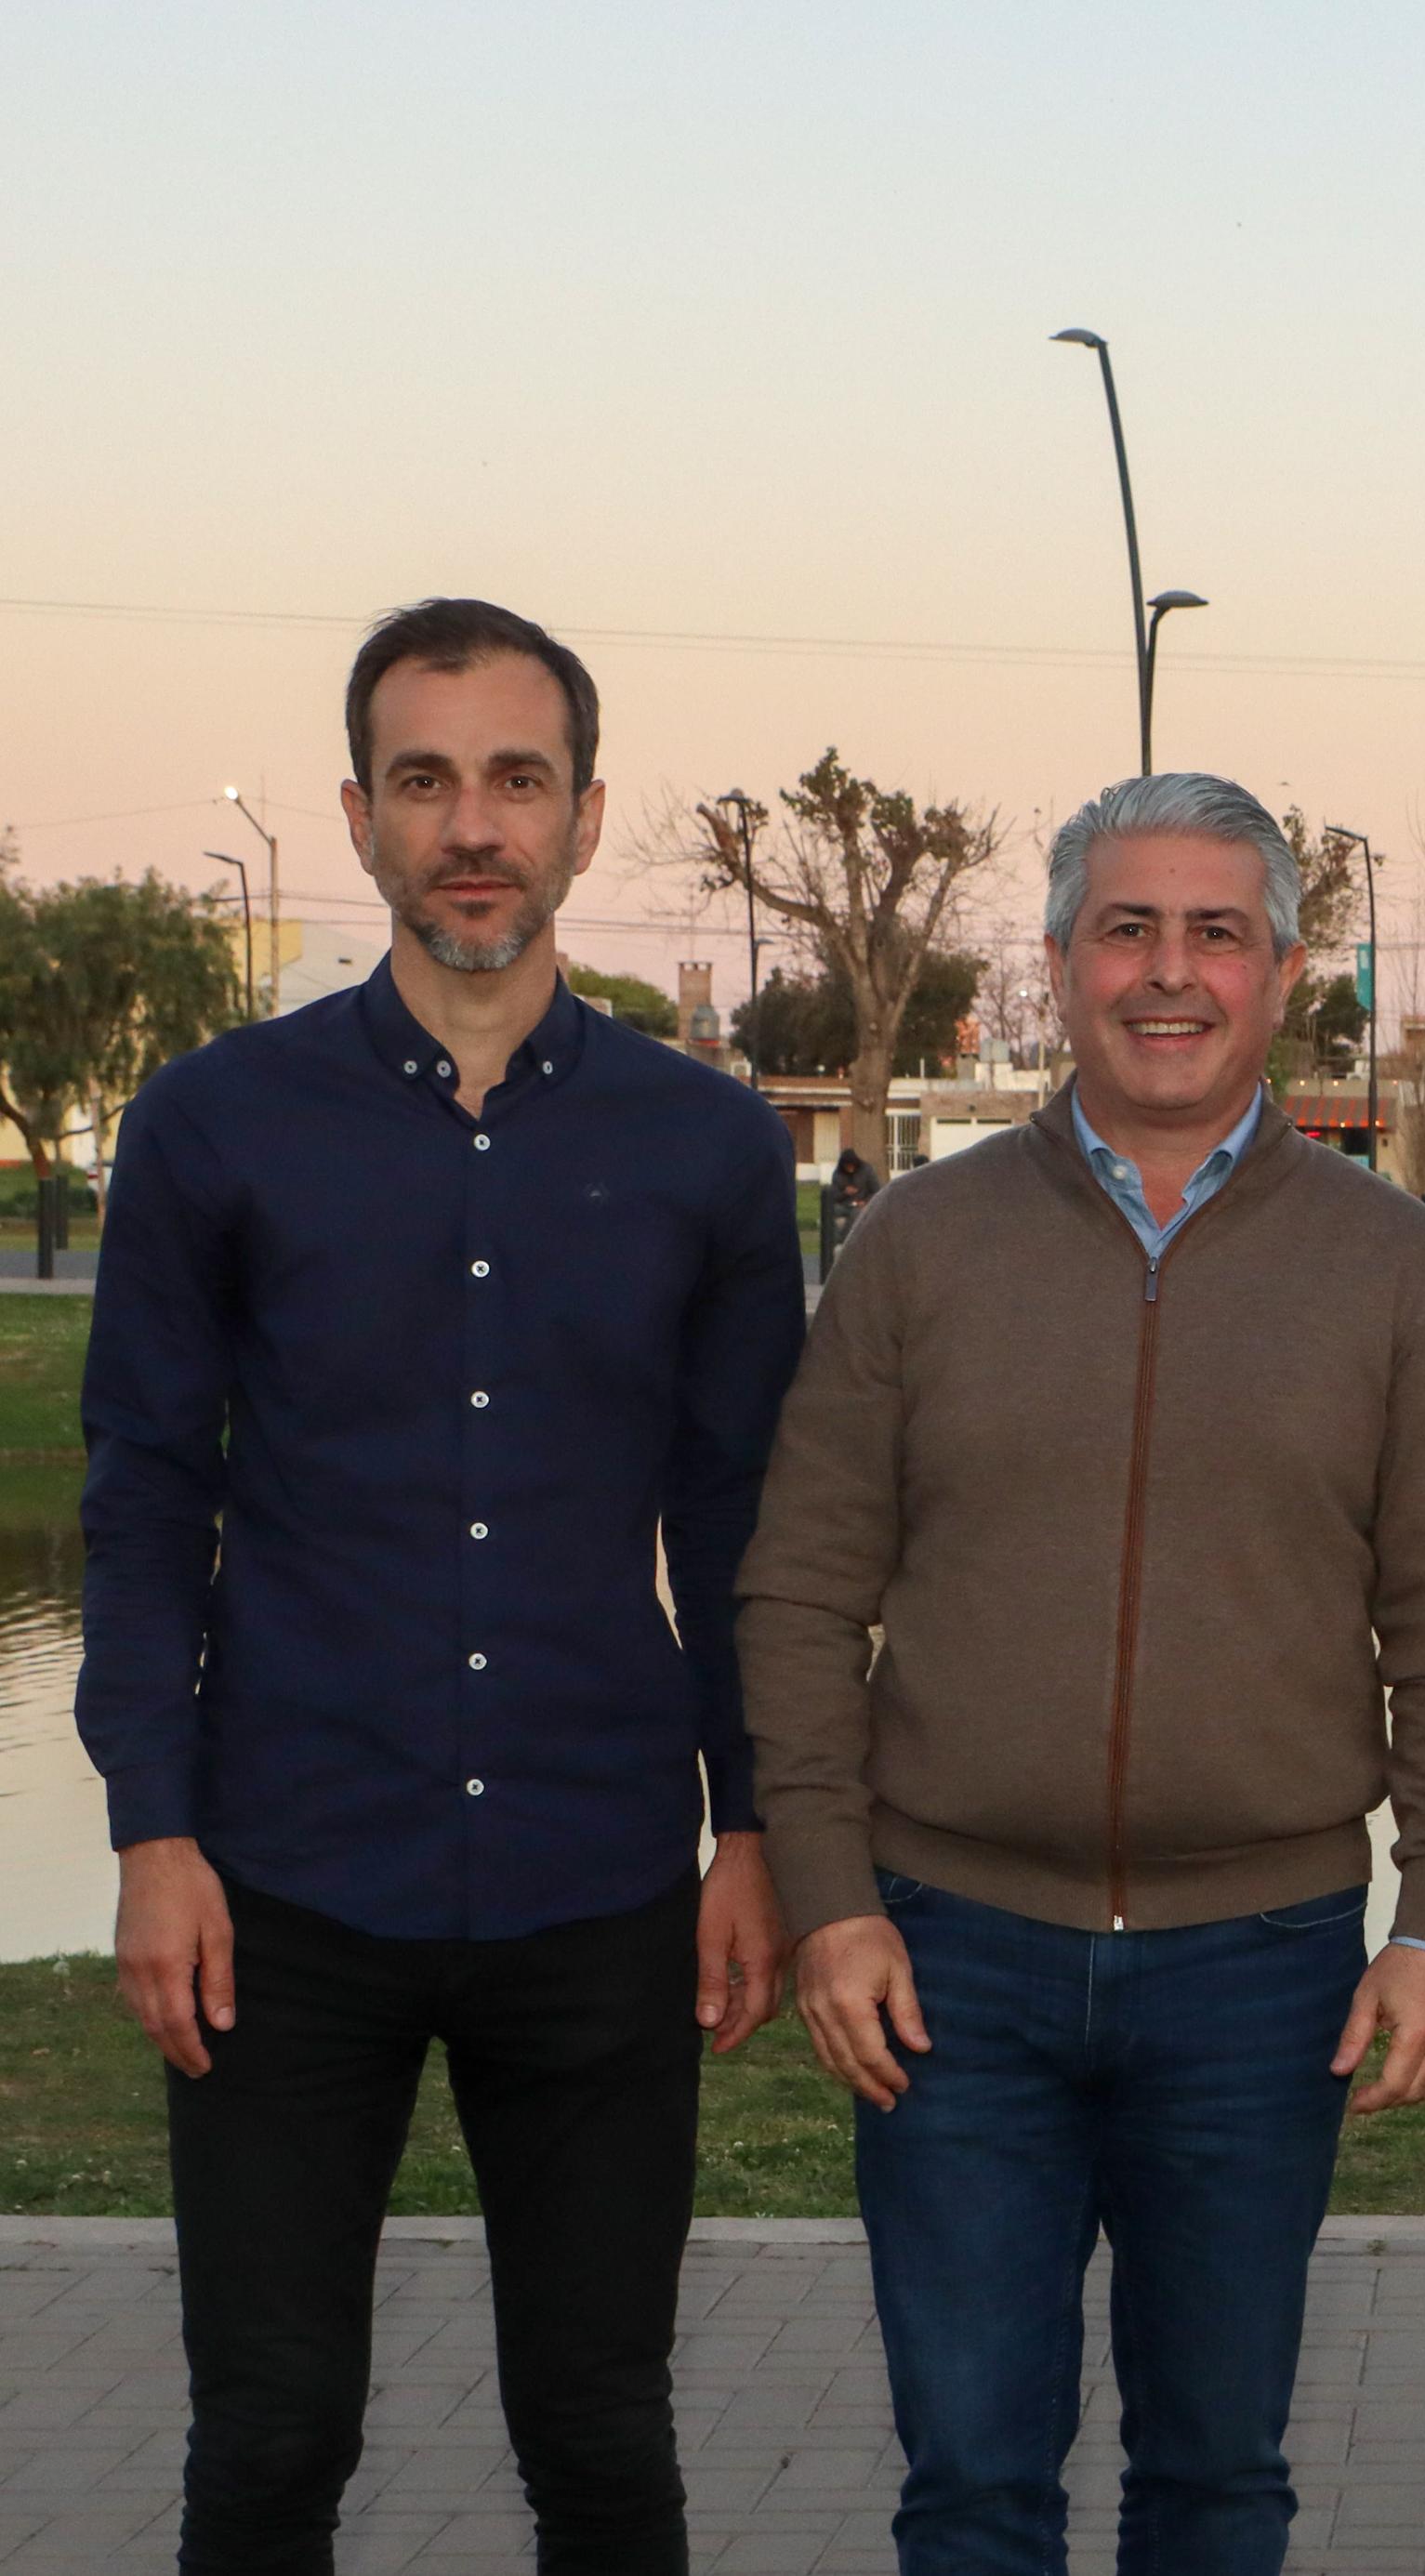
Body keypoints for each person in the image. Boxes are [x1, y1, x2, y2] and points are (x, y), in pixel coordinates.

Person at [77, 597, 803, 2573]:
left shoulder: (711, 1151)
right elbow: (144, 1494)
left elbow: (746, 1526)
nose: (471, 824)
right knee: (269, 2440)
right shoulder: (217, 1124)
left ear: (583, 816)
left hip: (596, 1880)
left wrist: (757, 1832)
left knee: (601, 2437)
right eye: (425, 781)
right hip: (283, 1881)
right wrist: (154, 1827)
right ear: (358, 816)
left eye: (514, 779)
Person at [735, 771, 1425, 2575]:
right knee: (974, 2491)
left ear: (1283, 972)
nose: (1168, 973)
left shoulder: (1389, 1267)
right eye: (1126, 928)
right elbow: (795, 1592)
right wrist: (827, 1895)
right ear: (1054, 962)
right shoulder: (918, 1245)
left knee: (1217, 2489)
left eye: (1215, 934)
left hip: (1256, 1981)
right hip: (950, 1964)